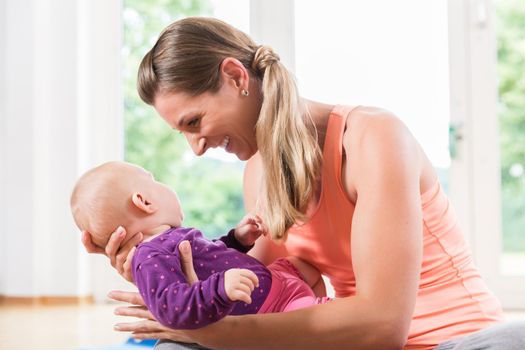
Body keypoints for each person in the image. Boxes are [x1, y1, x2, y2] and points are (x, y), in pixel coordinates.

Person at [81, 17, 525, 350]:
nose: (196, 147)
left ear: (236, 77)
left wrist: (216, 332)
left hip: (458, 339)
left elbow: (383, 325)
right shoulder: (259, 173)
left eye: (194, 121)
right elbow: (259, 296)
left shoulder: (372, 138)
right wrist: (156, 269)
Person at [71, 161, 330, 329]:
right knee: (322, 320)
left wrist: (237, 239)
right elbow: (171, 306)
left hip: (274, 281)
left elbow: (212, 258)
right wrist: (219, 289)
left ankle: (312, 301)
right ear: (144, 201)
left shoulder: (171, 239)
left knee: (302, 266)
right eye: (155, 181)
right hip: (272, 309)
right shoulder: (149, 257)